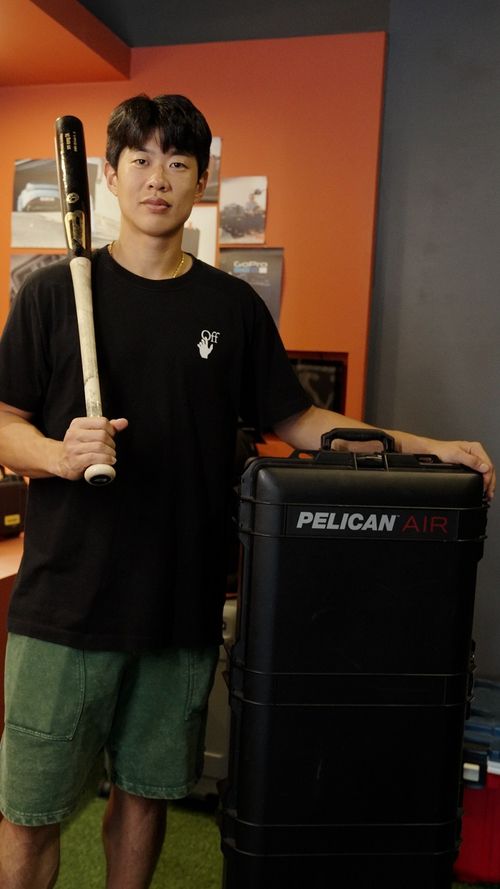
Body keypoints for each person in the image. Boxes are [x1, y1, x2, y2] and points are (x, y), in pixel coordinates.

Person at [0, 94, 494, 889]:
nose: (158, 178)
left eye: (178, 162)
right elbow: (2, 421)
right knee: (30, 811)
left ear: (200, 180)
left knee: (147, 795)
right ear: (110, 176)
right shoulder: (53, 294)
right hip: (65, 604)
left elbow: (298, 418)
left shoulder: (230, 307)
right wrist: (59, 455)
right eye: (140, 160)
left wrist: (424, 446)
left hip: (180, 605)